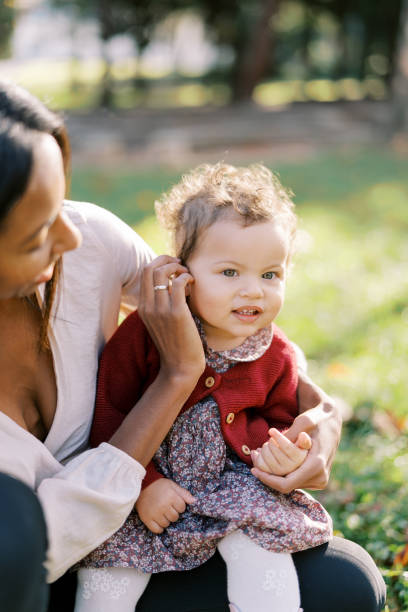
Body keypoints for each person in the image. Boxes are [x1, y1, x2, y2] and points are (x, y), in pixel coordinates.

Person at [0, 80, 385, 612]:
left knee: (348, 580)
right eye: (39, 227)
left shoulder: (90, 244)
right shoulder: (135, 351)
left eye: (62, 200)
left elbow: (242, 338)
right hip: (49, 567)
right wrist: (177, 378)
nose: (70, 236)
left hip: (197, 512)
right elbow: (38, 547)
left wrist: (318, 418)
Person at [75, 163, 334, 612]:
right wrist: (144, 486)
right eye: (230, 273)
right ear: (183, 271)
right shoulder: (147, 331)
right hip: (151, 491)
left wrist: (283, 449)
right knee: (108, 572)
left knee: (262, 554)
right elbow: (108, 415)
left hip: (234, 487)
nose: (252, 291)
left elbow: (280, 418)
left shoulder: (274, 352)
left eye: (270, 275)